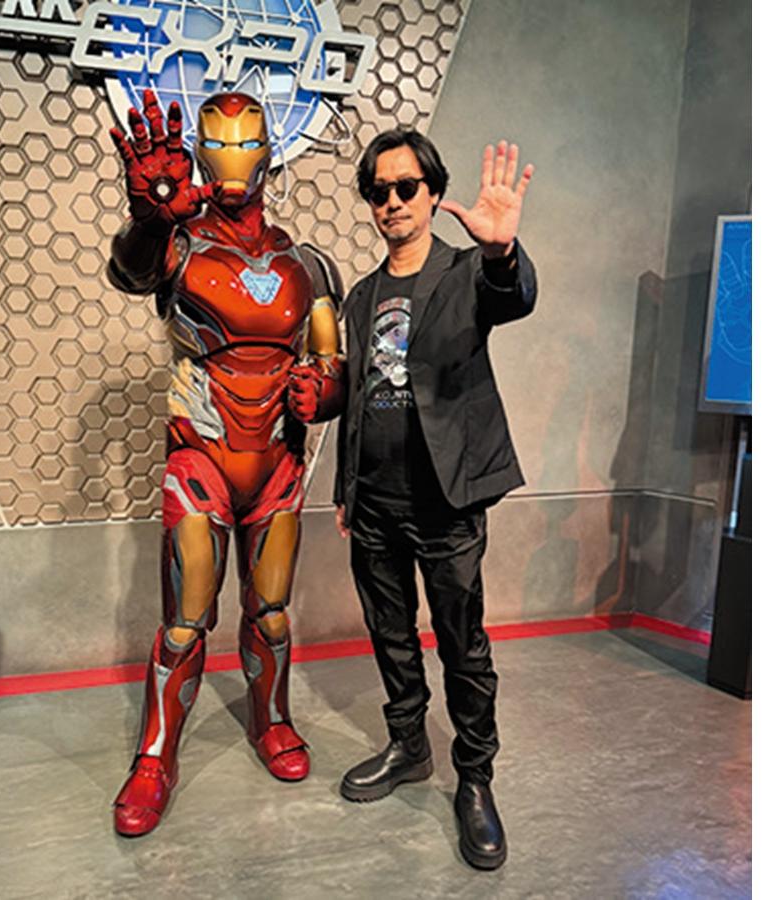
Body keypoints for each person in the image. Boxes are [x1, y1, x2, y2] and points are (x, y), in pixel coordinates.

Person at [107, 90, 344, 837]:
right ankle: (155, 758)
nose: (233, 158)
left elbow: (332, 362)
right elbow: (130, 272)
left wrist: (323, 391)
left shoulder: (308, 264)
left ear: (270, 151)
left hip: (277, 465)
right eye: (219, 142)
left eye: (245, 142)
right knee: (185, 622)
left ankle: (271, 720)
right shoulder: (177, 245)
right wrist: (151, 218)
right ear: (202, 153)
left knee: (270, 612)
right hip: (201, 460)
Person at [333, 128, 536, 870]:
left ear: (432, 192)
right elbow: (357, 400)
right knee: (390, 635)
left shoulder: (467, 272)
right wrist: (346, 489)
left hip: (445, 501)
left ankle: (475, 780)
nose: (392, 201)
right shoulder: (362, 297)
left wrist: (502, 251)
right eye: (378, 191)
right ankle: (409, 746)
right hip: (375, 502)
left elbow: (513, 297)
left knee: (462, 646)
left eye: (406, 187)